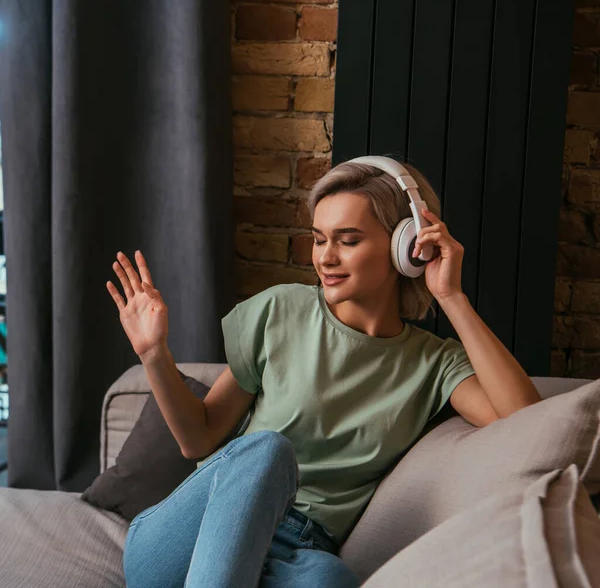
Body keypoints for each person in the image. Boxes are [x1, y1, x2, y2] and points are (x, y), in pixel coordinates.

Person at [107, 157, 542, 588]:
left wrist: (451, 296)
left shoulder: (434, 363)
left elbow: (525, 423)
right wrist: (154, 354)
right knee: (270, 452)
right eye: (319, 239)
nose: (325, 258)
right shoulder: (281, 311)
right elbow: (198, 438)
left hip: (295, 550)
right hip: (196, 535)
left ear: (407, 247)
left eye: (347, 240)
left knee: (330, 580)